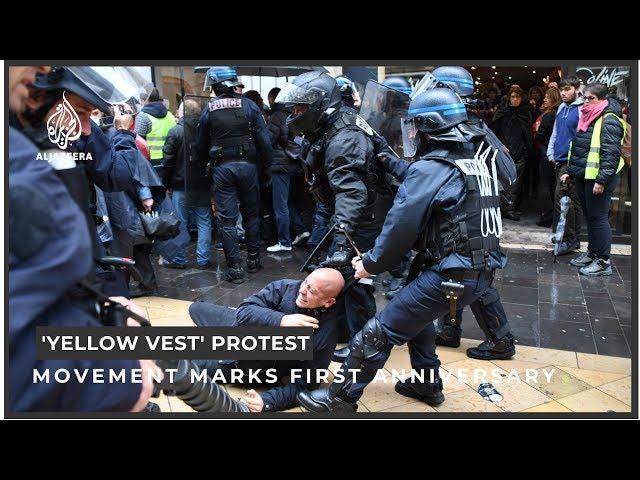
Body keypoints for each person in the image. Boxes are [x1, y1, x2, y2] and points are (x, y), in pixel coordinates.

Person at [297, 88, 505, 413]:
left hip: (447, 274)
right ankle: (427, 385)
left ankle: (339, 400)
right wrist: (385, 154)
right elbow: (425, 177)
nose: (412, 134)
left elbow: (401, 226)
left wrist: (371, 263)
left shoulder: (432, 168)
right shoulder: (471, 161)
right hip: (476, 272)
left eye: (416, 127)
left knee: (376, 334)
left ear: (429, 127)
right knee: (418, 322)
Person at [9, 66, 161, 411]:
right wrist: (117, 381)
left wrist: (102, 303)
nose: (87, 128)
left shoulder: (50, 144)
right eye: (80, 112)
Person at [276, 71, 394, 352]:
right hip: (342, 213)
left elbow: (352, 192)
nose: (295, 114)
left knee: (355, 281)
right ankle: (342, 330)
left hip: (361, 219)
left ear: (320, 104)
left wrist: (342, 239)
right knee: (339, 277)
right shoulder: (327, 126)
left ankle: (363, 345)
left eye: (300, 108)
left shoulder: (345, 137)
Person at [429, 66, 516, 360]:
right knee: (453, 269)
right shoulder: (471, 123)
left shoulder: (464, 128)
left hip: (470, 211)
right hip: (474, 208)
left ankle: (501, 340)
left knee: (474, 273)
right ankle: (450, 329)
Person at [188, 268, 344, 412]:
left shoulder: (326, 334)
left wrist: (267, 401)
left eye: (312, 291)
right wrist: (281, 320)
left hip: (240, 362)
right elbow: (244, 312)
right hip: (240, 329)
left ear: (328, 302)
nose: (302, 290)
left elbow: (306, 385)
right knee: (196, 308)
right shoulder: (286, 287)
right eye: (306, 282)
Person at [196, 66, 274, 284]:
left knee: (227, 221)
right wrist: (266, 168)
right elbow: (264, 142)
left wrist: (203, 166)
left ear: (218, 86)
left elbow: (200, 144)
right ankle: (253, 260)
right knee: (251, 215)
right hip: (248, 168)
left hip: (222, 170)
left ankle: (235, 269)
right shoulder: (249, 105)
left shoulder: (209, 109)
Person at [562, 82, 626, 276]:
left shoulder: (609, 119)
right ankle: (592, 253)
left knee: (598, 219)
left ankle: (603, 261)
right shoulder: (587, 116)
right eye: (585, 97)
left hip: (599, 179)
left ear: (602, 99)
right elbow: (579, 147)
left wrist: (601, 180)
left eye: (592, 98)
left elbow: (611, 154)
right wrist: (571, 171)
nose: (587, 101)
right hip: (584, 176)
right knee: (590, 218)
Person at [162, 98, 213, 269]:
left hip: (180, 185)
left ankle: (179, 259)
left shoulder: (176, 131)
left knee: (179, 223)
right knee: (204, 222)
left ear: (183, 113)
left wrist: (165, 183)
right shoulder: (205, 131)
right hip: (202, 183)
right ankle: (203, 259)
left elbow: (168, 161)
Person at [266, 87, 310, 253]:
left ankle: (284, 241)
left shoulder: (277, 116)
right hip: (294, 163)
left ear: (273, 99)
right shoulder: (295, 114)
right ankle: (300, 230)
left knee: (280, 204)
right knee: (286, 201)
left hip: (279, 165)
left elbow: (268, 140)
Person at [547, 76, 585, 255]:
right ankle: (572, 239)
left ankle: (569, 239)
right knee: (572, 202)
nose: (563, 92)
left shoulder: (582, 109)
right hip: (560, 160)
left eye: (568, 89)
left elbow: (581, 139)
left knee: (564, 200)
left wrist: (572, 166)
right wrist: (551, 152)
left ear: (577, 89)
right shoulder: (562, 107)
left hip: (571, 162)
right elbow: (556, 131)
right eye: (562, 89)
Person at [491, 85, 534, 220]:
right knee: (502, 181)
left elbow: (528, 134)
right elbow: (493, 131)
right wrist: (499, 145)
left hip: (519, 151)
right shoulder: (502, 112)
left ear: (522, 98)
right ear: (509, 98)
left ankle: (510, 208)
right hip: (504, 151)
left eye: (518, 97)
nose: (515, 99)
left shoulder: (525, 112)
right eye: (512, 97)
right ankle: (501, 208)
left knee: (515, 184)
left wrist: (525, 149)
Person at [533, 87, 561, 228]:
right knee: (552, 186)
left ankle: (547, 216)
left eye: (547, 97)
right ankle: (552, 216)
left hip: (546, 153)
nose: (544, 99)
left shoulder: (549, 115)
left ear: (553, 99)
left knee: (544, 185)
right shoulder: (560, 113)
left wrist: (537, 133)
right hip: (556, 153)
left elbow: (540, 135)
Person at [135, 87, 176, 170]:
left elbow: (138, 143)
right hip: (170, 159)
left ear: (145, 100)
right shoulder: (170, 115)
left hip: (151, 161)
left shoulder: (143, 116)